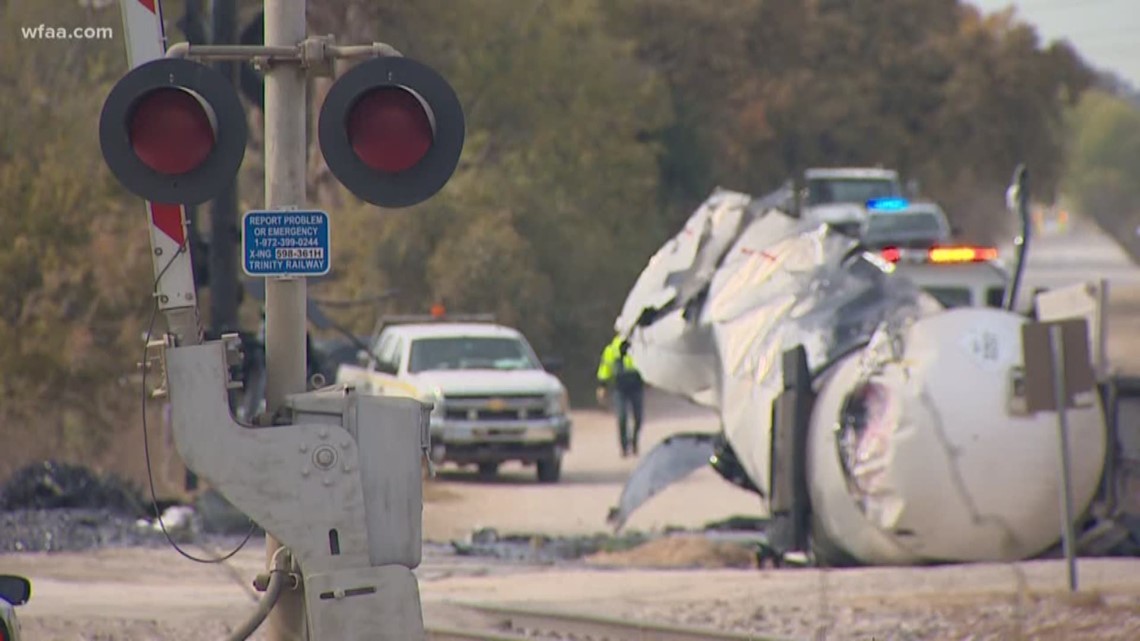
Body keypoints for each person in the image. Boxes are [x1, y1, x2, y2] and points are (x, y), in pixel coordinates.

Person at [596, 334, 645, 457]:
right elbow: (605, 368)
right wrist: (602, 386)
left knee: (638, 418)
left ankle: (634, 441)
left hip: (636, 387)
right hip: (620, 389)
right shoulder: (611, 349)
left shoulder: (639, 346)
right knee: (622, 417)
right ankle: (624, 446)